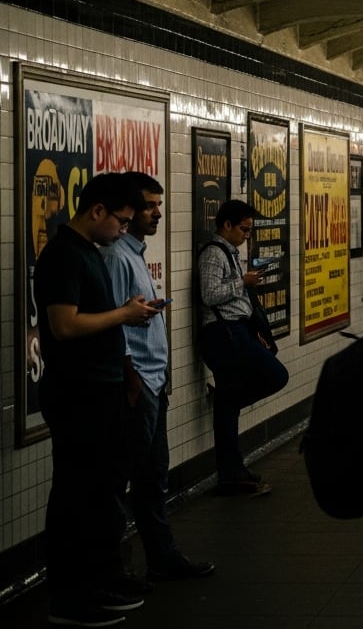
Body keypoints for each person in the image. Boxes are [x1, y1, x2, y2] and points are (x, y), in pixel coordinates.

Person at [35, 172, 163, 627]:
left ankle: (99, 580)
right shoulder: (63, 256)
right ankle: (70, 598)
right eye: (122, 221)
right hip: (77, 392)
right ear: (97, 212)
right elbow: (64, 326)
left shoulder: (87, 252)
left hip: (99, 387)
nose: (124, 230)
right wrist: (124, 314)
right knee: (76, 497)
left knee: (99, 493)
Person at [101, 172, 216, 588]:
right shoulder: (116, 257)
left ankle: (162, 557)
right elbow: (113, 329)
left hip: (152, 382)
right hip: (137, 386)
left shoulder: (133, 254)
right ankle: (113, 570)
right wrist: (132, 381)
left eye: (157, 204)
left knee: (153, 478)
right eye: (149, 205)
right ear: (128, 211)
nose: (158, 212)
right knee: (121, 481)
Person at [197, 200, 289, 496]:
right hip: (225, 334)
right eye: (244, 229)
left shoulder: (231, 252)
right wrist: (242, 282)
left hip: (237, 331)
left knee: (228, 406)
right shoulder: (214, 253)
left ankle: (232, 472)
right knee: (276, 375)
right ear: (226, 225)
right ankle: (227, 401)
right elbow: (209, 294)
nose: (247, 235)